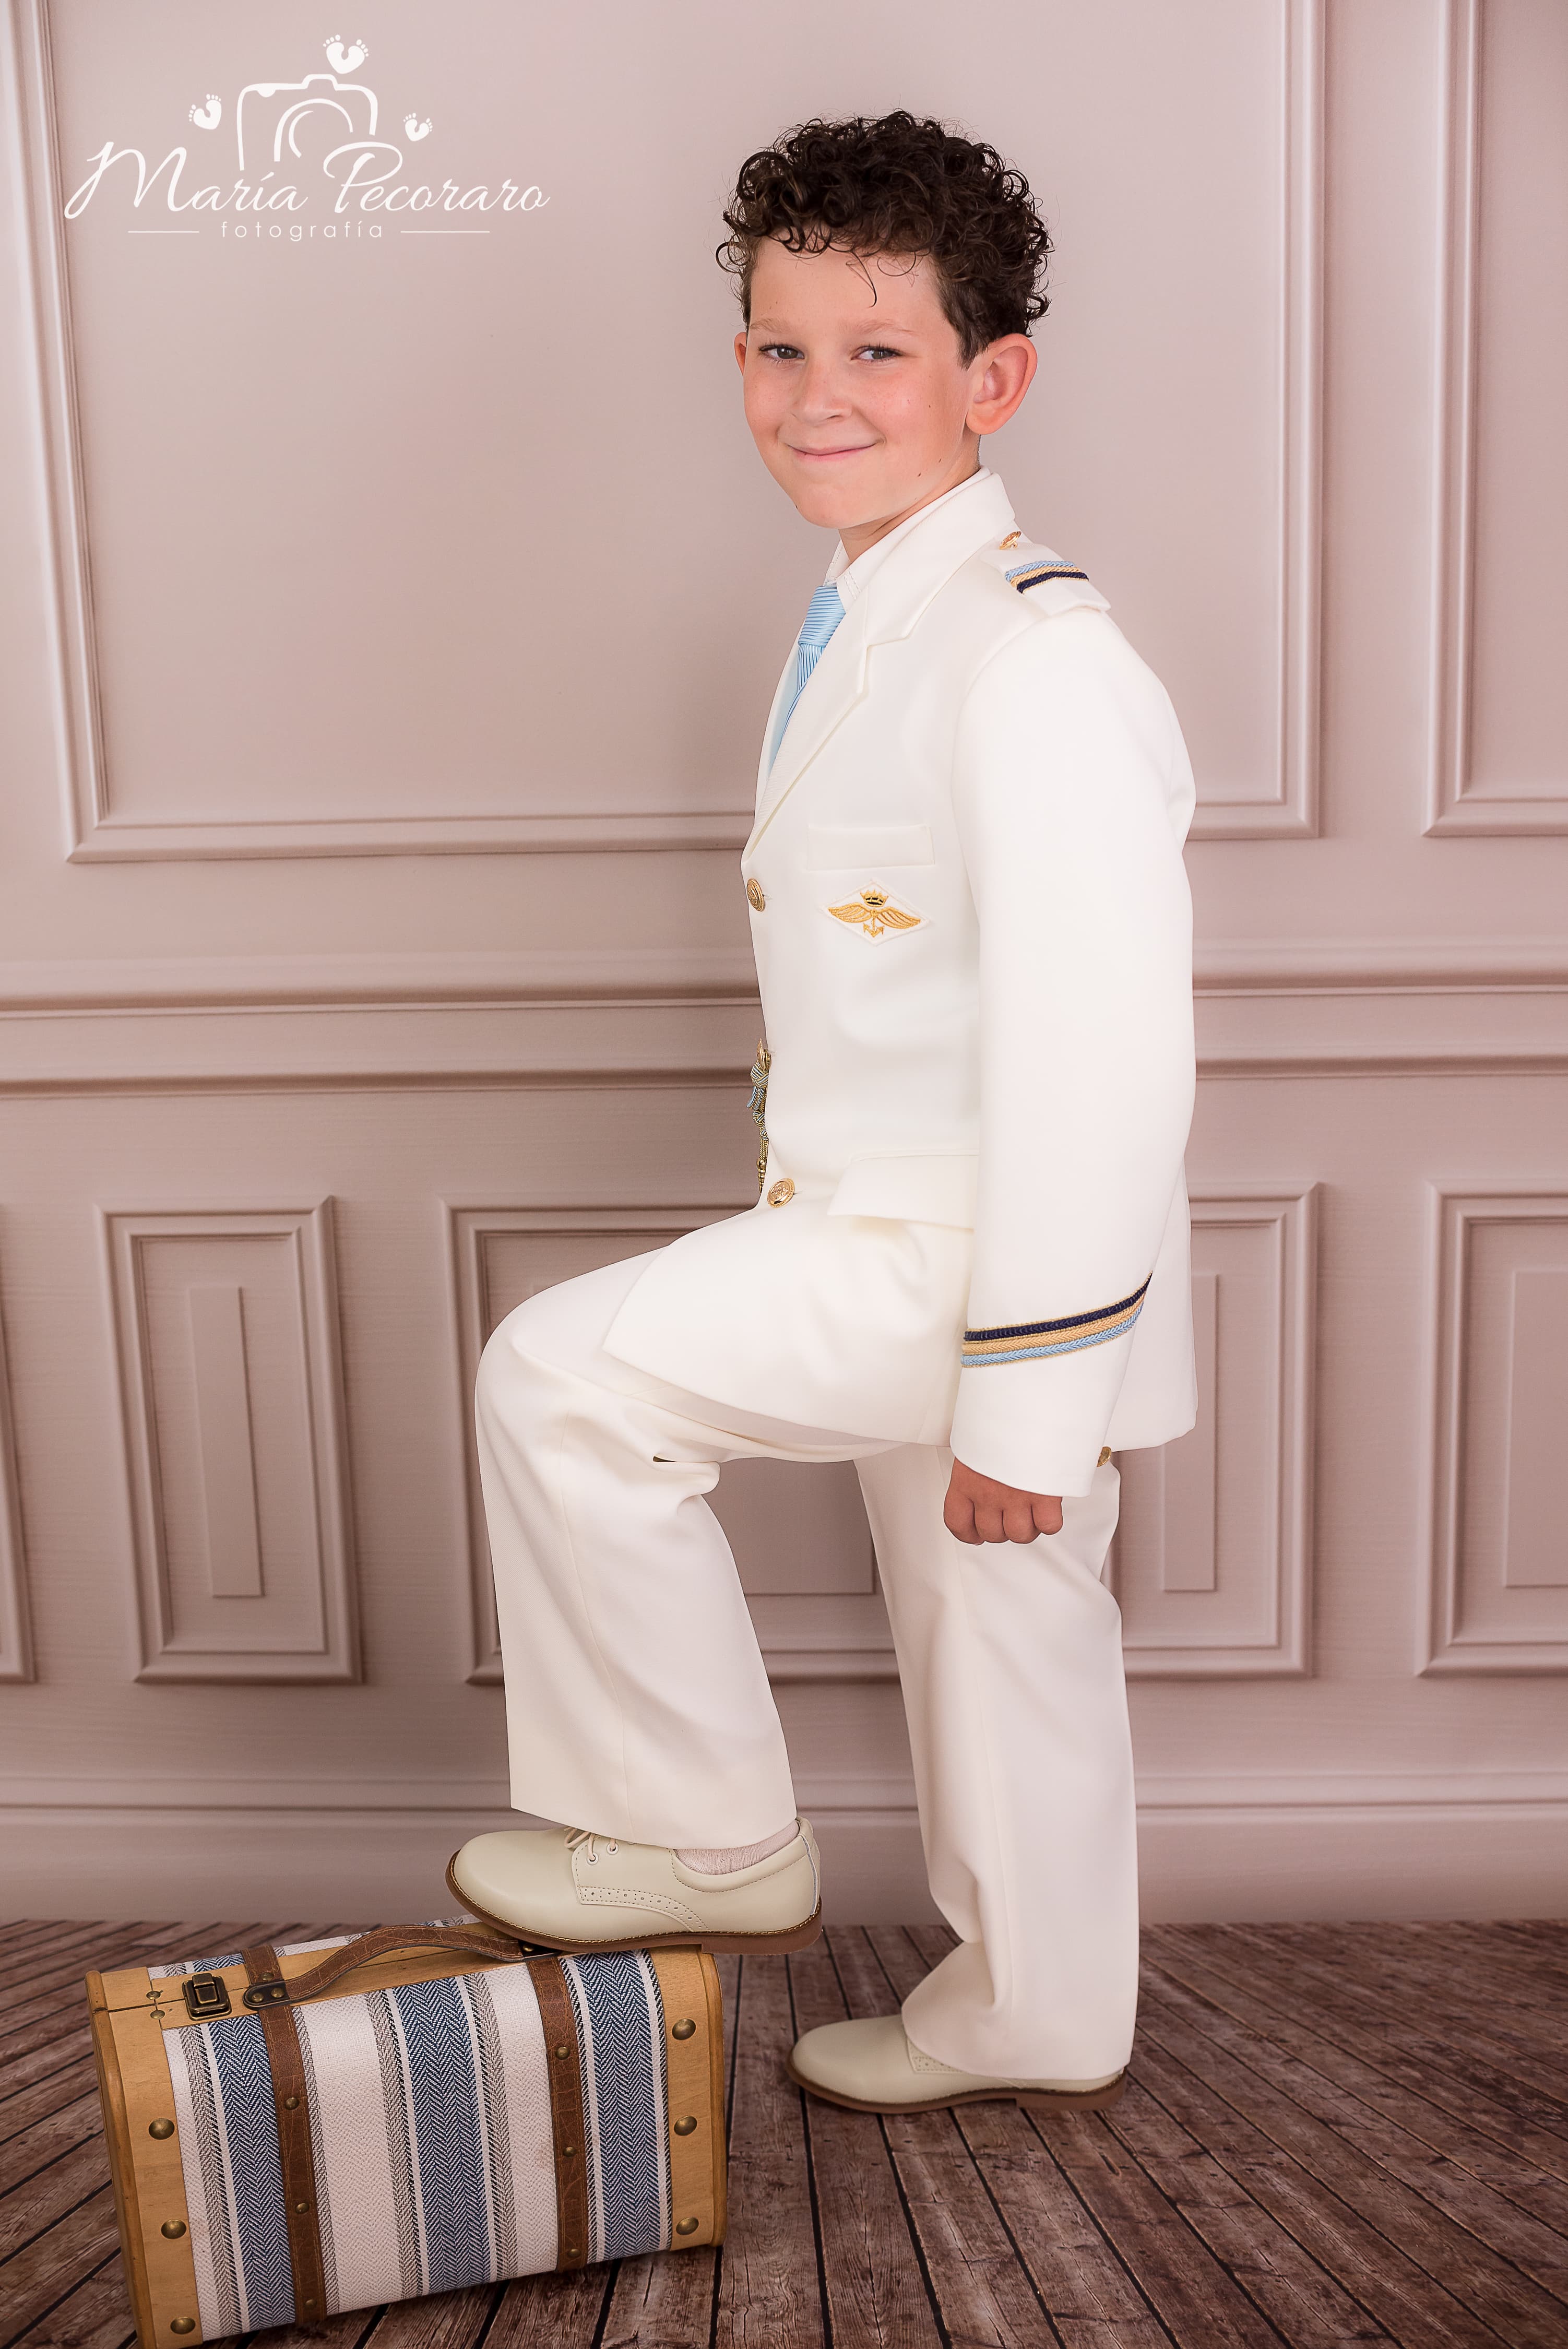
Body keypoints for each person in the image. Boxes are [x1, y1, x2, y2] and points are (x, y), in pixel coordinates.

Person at [448, 111, 1197, 2116]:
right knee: (1002, 1634)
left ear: (991, 377)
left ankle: (698, 1830)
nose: (817, 398)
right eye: (780, 349)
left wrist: (1030, 1397)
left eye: (877, 350)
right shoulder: (876, 615)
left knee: (560, 1378)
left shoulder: (1031, 661)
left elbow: (1108, 1049)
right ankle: (1038, 2008)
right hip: (904, 1223)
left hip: (967, 1257)